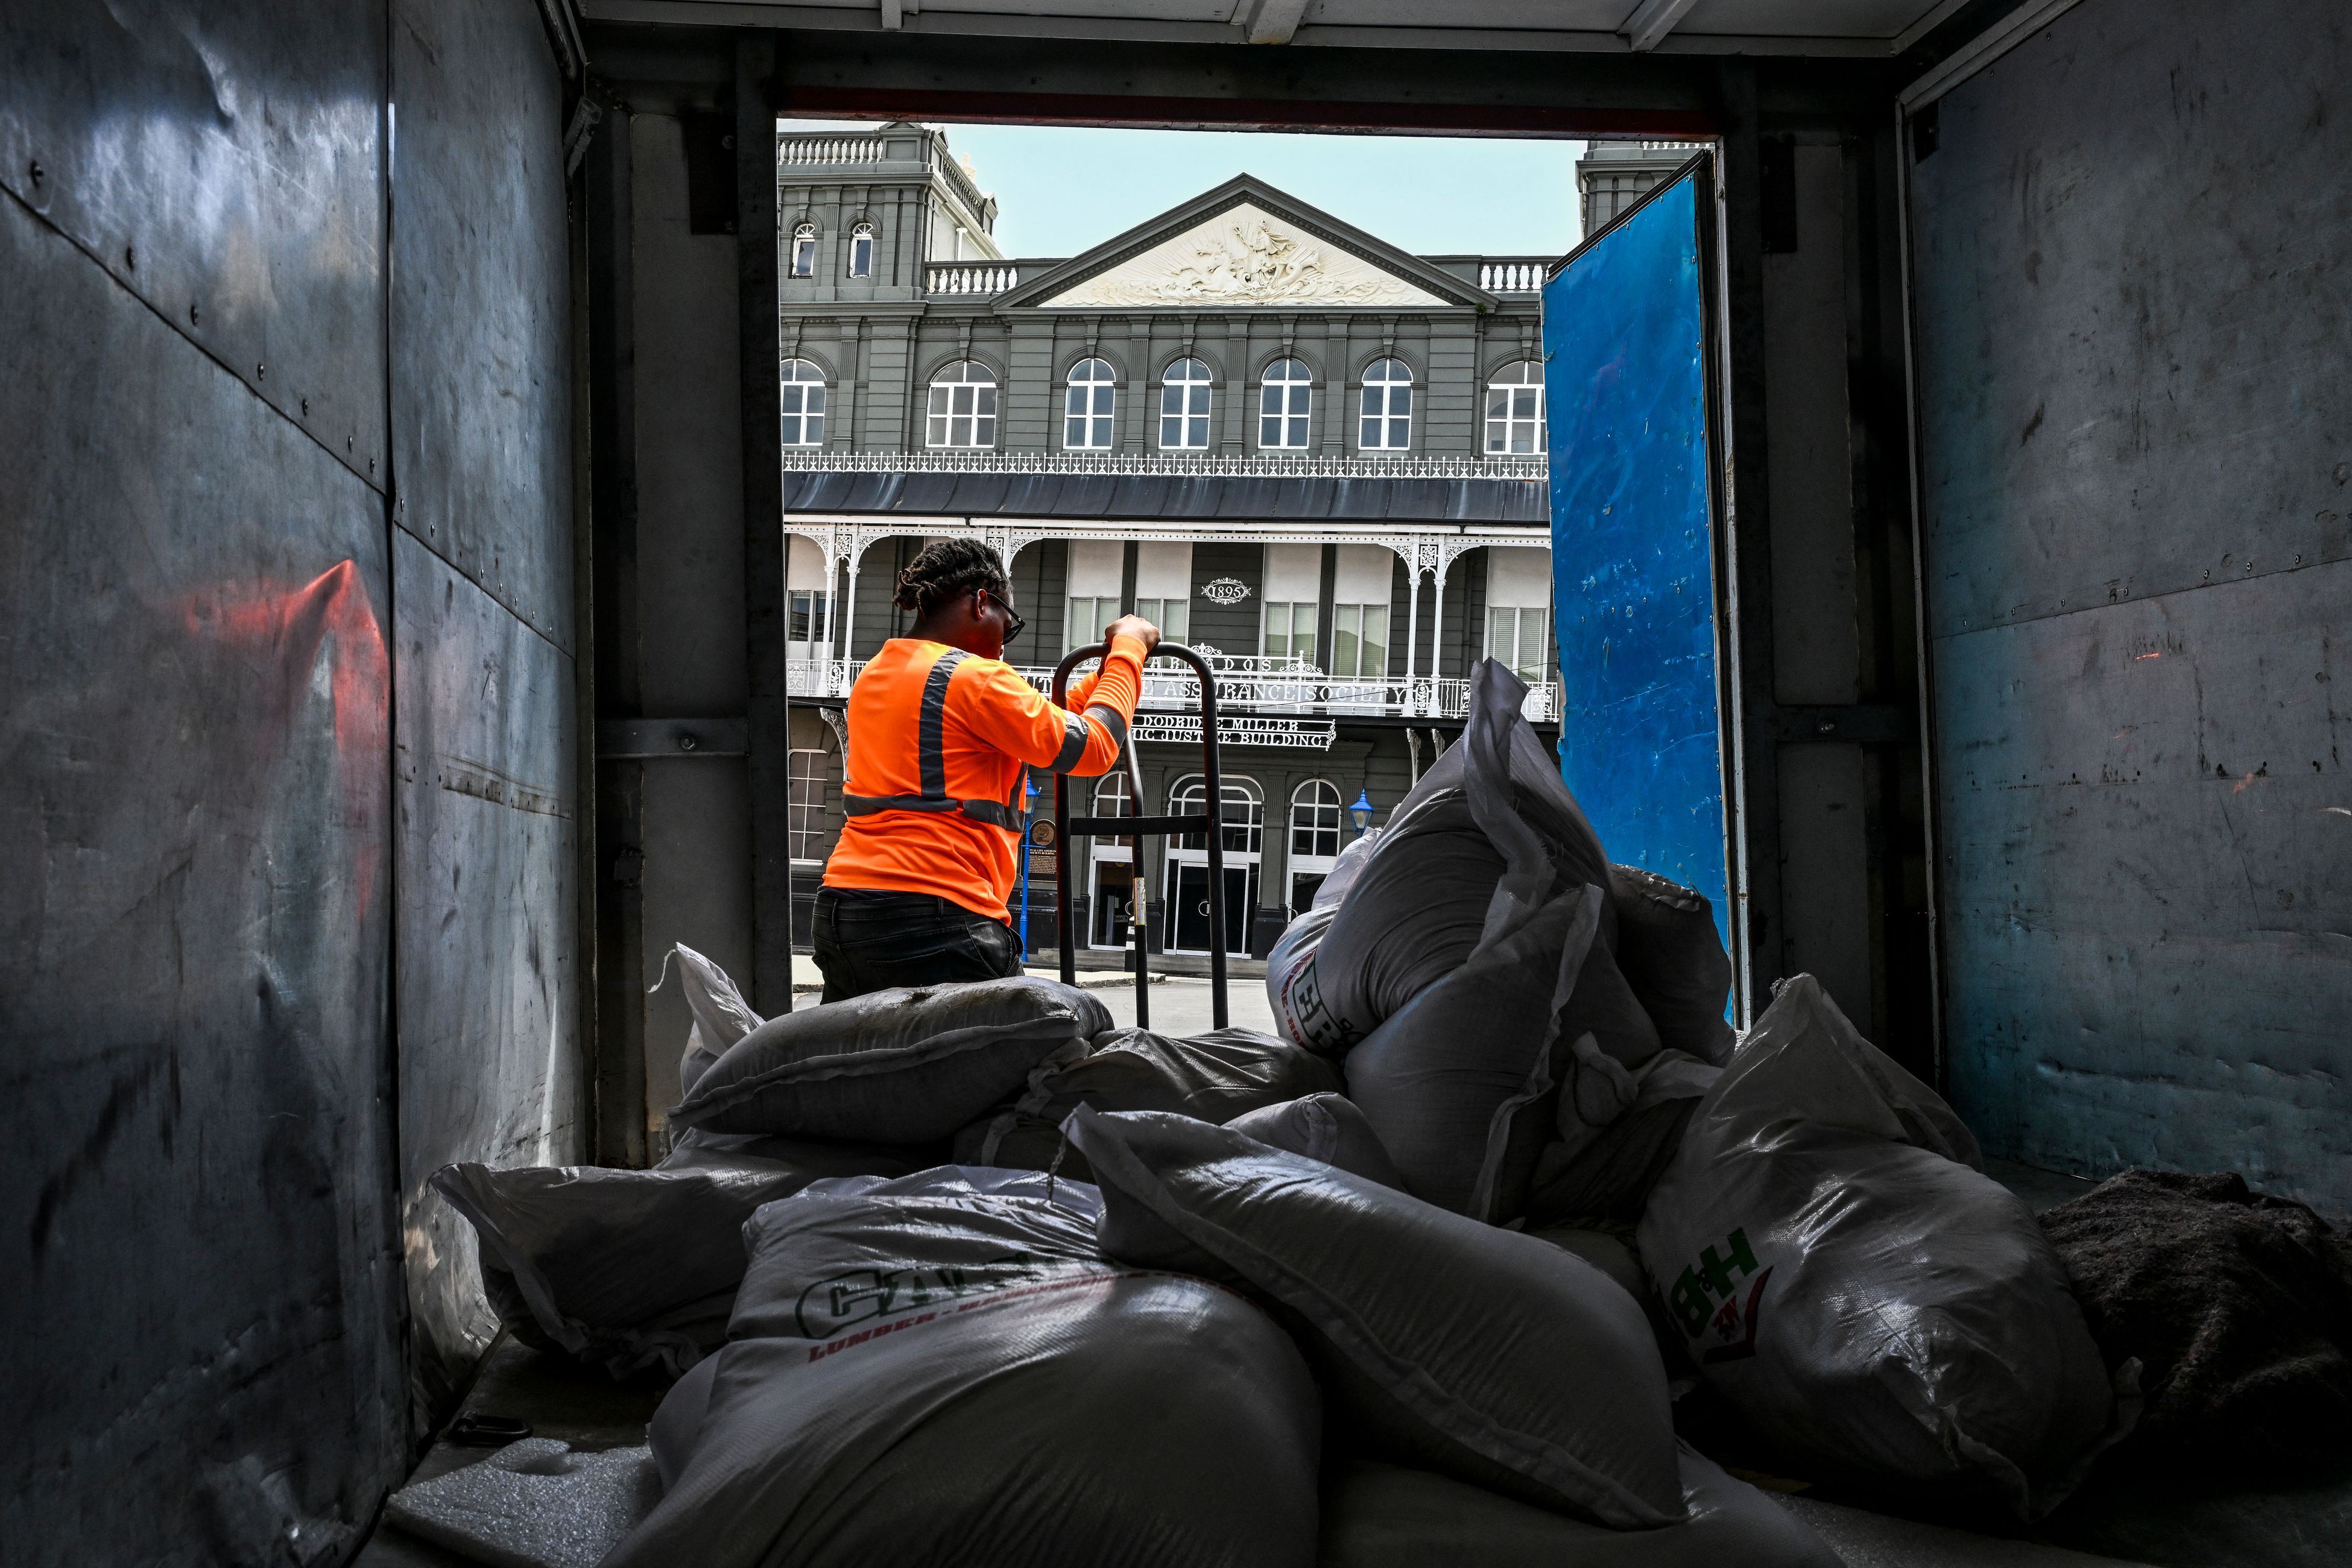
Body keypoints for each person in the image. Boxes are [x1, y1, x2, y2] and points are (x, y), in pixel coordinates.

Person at [815, 538, 1160, 1002]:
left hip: (845, 906)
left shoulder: (880, 672)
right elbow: (1094, 747)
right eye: (1008, 623)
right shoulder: (974, 678)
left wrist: (1107, 675)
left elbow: (1047, 722)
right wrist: (1129, 651)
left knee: (866, 1065)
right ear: (982, 602)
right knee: (996, 1062)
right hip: (937, 914)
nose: (1004, 640)